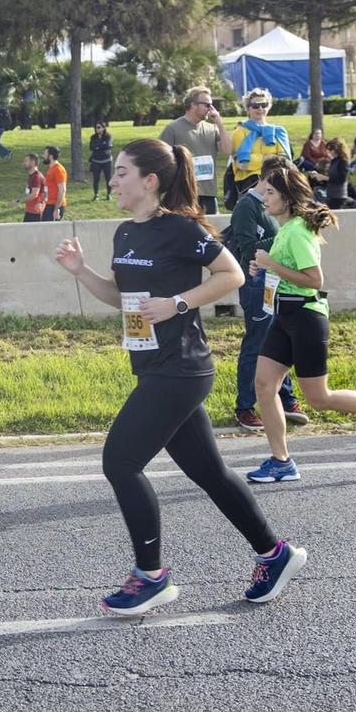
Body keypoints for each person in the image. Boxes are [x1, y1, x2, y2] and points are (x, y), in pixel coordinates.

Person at [53, 139, 305, 615]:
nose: (114, 180)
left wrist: (178, 303)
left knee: (120, 463)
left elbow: (230, 274)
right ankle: (275, 554)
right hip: (152, 363)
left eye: (123, 172)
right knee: (208, 471)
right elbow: (122, 297)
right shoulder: (125, 233)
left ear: (150, 180)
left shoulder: (180, 229)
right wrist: (80, 270)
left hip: (182, 368)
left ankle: (151, 576)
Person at [244, 158, 356, 483]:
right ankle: (281, 461)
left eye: (269, 193)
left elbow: (314, 279)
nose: (263, 198)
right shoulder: (284, 230)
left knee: (318, 399)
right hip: (284, 315)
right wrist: (263, 267)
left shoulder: (296, 232)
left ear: (286, 196)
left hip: (306, 317)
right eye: (262, 192)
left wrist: (272, 265)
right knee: (265, 386)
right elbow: (283, 271)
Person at [221, 158, 299, 431]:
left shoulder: (275, 206)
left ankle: (286, 398)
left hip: (276, 281)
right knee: (257, 343)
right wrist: (284, 236)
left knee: (279, 340)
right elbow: (247, 247)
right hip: (255, 283)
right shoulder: (247, 206)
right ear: (271, 177)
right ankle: (245, 407)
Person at [159, 88, 226, 214]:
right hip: (183, 195)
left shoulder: (213, 129)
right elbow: (161, 161)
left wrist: (219, 123)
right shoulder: (173, 128)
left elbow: (228, 150)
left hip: (209, 194)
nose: (211, 109)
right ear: (193, 105)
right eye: (207, 105)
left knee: (211, 233)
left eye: (212, 105)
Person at [228, 91, 291, 206]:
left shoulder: (278, 132)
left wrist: (255, 159)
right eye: (255, 105)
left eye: (264, 104)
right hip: (249, 185)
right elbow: (242, 165)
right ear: (248, 108)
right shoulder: (239, 132)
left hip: (275, 184)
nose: (260, 108)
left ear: (269, 106)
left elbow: (284, 161)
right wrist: (269, 158)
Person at [318, 137, 352, 209]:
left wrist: (325, 178)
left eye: (330, 151)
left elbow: (341, 179)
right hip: (331, 195)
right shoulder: (334, 161)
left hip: (339, 196)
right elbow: (331, 177)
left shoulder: (343, 162)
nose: (328, 153)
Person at [87, 122, 114, 200]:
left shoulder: (108, 136)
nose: (97, 129)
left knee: (108, 178)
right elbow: (91, 147)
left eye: (99, 127)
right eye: (96, 127)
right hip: (96, 161)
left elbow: (107, 145)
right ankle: (96, 195)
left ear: (103, 128)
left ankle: (108, 195)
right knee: (96, 178)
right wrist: (100, 146)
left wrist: (98, 146)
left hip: (106, 160)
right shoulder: (93, 137)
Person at [19, 152, 49, 222]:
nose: (24, 163)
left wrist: (19, 201)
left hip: (35, 212)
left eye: (26, 161)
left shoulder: (36, 177)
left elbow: (34, 194)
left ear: (33, 162)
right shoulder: (32, 176)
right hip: (30, 211)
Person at [43, 146, 69, 221]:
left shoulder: (58, 170)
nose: (43, 156)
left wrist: (56, 209)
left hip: (54, 205)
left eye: (45, 154)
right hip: (49, 204)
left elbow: (62, 190)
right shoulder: (51, 169)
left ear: (50, 156)